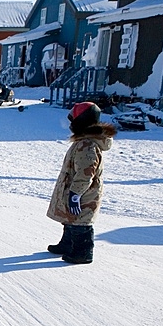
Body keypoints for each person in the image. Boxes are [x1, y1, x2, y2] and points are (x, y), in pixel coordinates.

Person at [46, 102, 117, 264]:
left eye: (73, 121)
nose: (70, 125)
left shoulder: (87, 145)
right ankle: (68, 244)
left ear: (82, 121)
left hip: (85, 192)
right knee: (71, 217)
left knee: (81, 220)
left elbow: (85, 173)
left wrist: (75, 194)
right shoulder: (83, 141)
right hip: (74, 187)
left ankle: (82, 252)